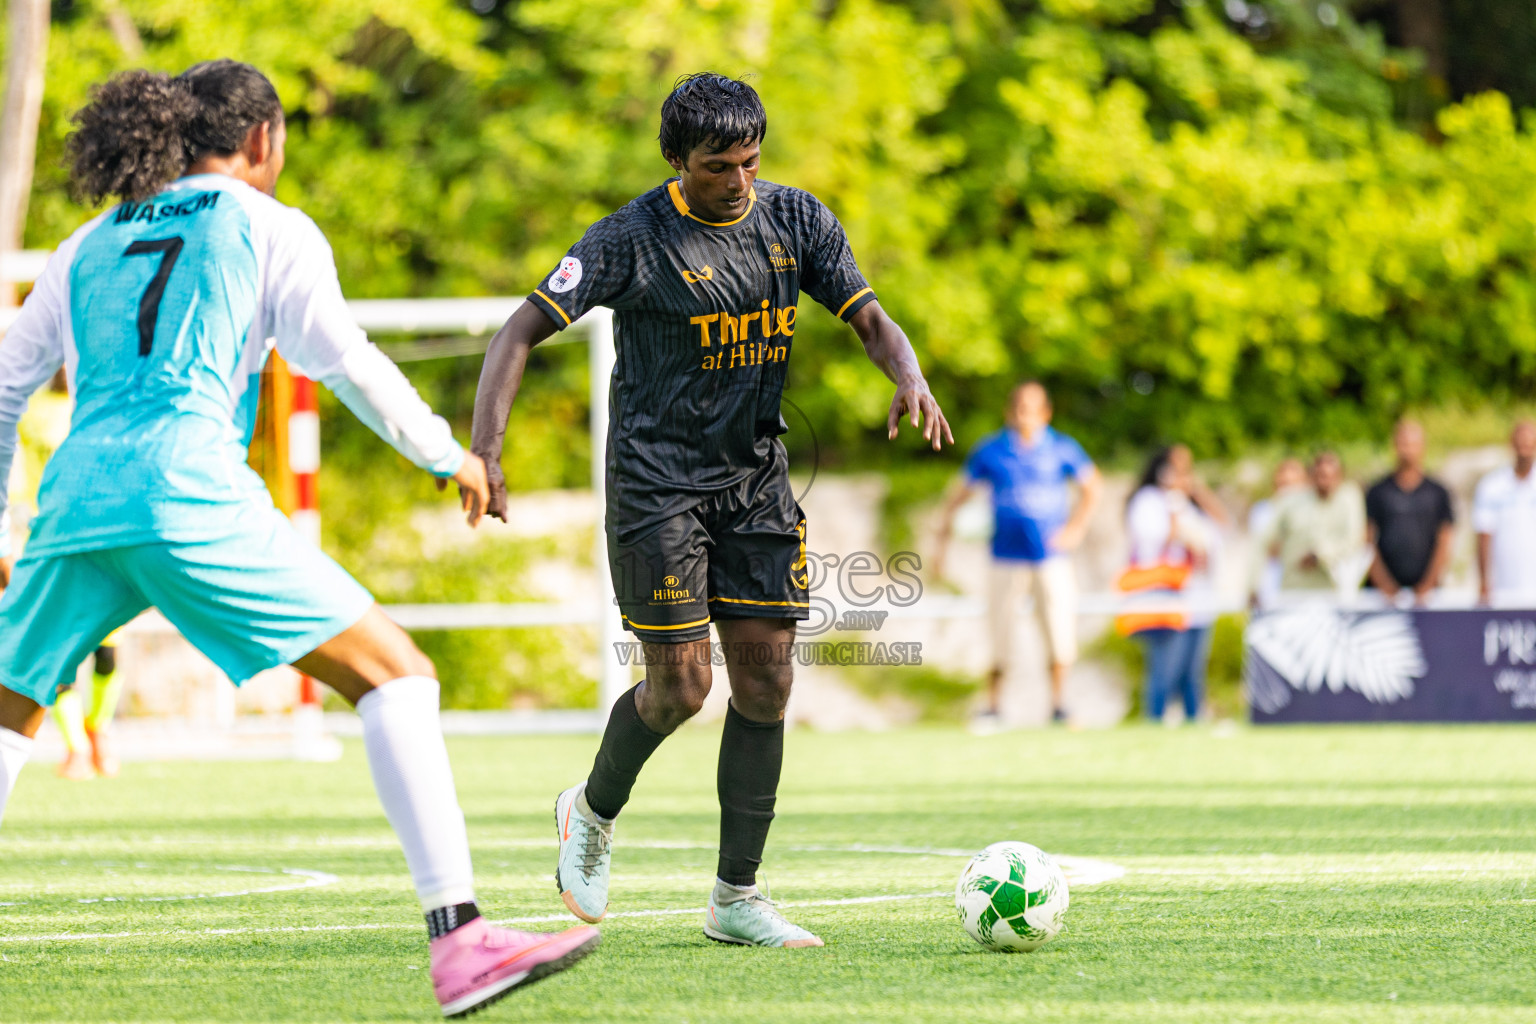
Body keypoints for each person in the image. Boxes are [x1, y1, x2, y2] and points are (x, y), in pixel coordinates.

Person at [0, 61, 597, 1016]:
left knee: (6, 715)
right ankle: (462, 941)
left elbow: (3, 383)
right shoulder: (267, 226)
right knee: (395, 672)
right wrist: (452, 458)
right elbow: (346, 363)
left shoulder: (86, 241)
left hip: (76, 503)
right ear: (265, 141)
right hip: (188, 493)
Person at [470, 73, 951, 948]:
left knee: (767, 678)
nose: (739, 181)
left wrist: (908, 373)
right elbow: (517, 333)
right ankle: (590, 812)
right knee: (683, 685)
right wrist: (488, 450)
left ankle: (737, 898)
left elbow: (871, 319)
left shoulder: (797, 220)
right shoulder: (629, 240)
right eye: (718, 166)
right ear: (676, 162)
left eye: (750, 162)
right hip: (657, 485)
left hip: (756, 481)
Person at [934, 381, 1101, 726]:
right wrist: (943, 538)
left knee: (1058, 631)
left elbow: (1092, 487)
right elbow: (959, 494)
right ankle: (994, 707)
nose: (1026, 415)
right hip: (1005, 557)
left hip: (1050, 558)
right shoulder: (991, 451)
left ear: (1046, 412)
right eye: (1020, 408)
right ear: (1010, 412)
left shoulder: (1062, 448)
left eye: (1033, 408)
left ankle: (1059, 705)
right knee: (1000, 632)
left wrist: (1075, 529)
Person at [1122, 446, 1223, 723]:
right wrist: (1176, 518)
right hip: (1165, 594)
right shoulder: (1148, 501)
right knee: (1165, 668)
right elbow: (1153, 543)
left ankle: (1193, 721)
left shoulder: (1190, 503)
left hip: (1197, 595)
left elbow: (1219, 531)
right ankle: (1155, 720)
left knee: (1192, 672)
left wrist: (1198, 495)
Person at [1365, 419, 1455, 606]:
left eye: (1413, 444)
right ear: (1395, 446)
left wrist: (1428, 585)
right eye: (1403, 443)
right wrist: (1385, 586)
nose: (1408, 449)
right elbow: (1367, 539)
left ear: (1423, 447)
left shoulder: (1438, 492)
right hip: (1382, 597)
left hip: (1428, 596)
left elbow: (1445, 540)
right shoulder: (1377, 491)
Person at [1263, 450, 1367, 594]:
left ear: (1340, 477)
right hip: (1294, 588)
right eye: (1321, 476)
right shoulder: (1292, 501)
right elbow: (1267, 541)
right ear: (1312, 476)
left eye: (1330, 476)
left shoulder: (1349, 499)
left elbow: (1354, 540)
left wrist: (1321, 555)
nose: (1325, 482)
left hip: (1333, 590)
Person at [1474, 420, 1536, 606]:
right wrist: (1484, 583)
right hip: (1502, 591)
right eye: (1520, 442)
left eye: (1529, 443)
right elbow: (1484, 535)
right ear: (1511, 444)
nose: (1524, 448)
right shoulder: (1492, 486)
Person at [1246, 458, 1306, 609]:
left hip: (1301, 589)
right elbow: (1269, 549)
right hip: (1269, 588)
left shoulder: (1310, 512)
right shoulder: (1262, 510)